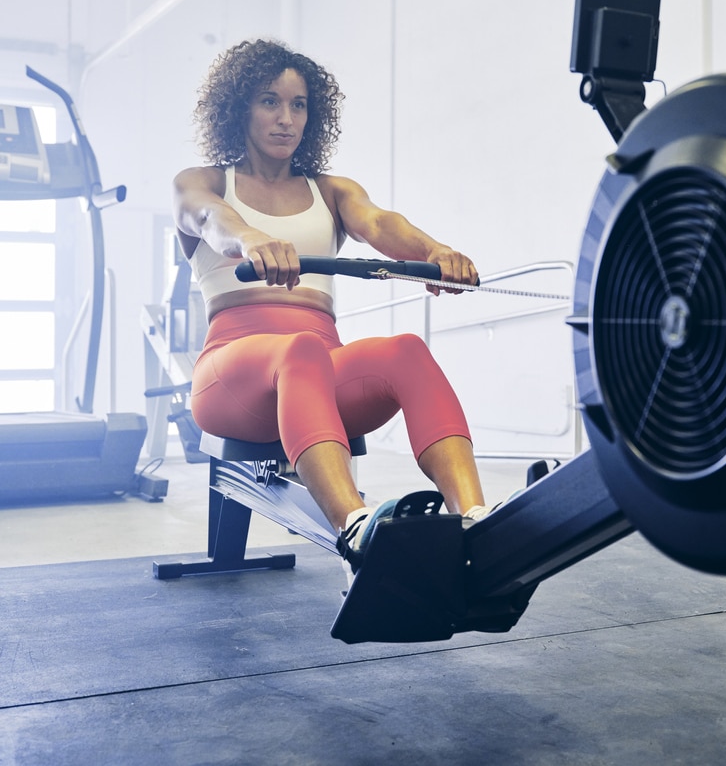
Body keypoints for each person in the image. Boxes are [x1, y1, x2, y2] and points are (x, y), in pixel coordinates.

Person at [173, 38, 493, 582]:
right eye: (269, 101)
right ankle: (356, 528)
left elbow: (379, 223)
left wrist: (435, 252)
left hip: (318, 372)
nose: (286, 118)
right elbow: (207, 219)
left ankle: (477, 521)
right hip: (232, 375)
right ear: (238, 108)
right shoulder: (205, 181)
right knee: (299, 351)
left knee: (405, 351)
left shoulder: (331, 190)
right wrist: (252, 238)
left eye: (298, 105)